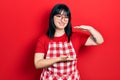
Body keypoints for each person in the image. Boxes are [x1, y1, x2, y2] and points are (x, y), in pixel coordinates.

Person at [34, 4, 104, 80]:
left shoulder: (76, 37)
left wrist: (90, 29)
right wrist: (59, 59)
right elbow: (38, 64)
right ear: (52, 17)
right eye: (59, 16)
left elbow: (99, 41)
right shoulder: (43, 39)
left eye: (66, 17)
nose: (63, 20)